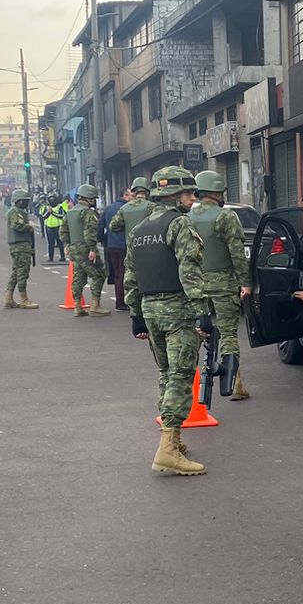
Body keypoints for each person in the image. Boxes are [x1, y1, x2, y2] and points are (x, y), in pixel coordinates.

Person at [124, 167, 208, 476]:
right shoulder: (180, 224)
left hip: (150, 309)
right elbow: (189, 269)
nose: (192, 198)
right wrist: (203, 310)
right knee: (181, 376)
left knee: (165, 373)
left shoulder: (140, 229)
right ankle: (168, 447)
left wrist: (136, 316)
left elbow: (130, 277)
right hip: (177, 309)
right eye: (189, 193)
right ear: (175, 195)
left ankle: (172, 441)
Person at [189, 169, 252, 400]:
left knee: (196, 333)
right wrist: (246, 282)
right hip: (224, 284)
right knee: (228, 333)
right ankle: (234, 384)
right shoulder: (225, 216)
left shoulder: (188, 217)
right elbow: (237, 254)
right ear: (216, 192)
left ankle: (191, 387)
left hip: (196, 285)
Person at [108, 177, 154, 311]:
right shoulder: (151, 207)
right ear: (147, 191)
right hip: (149, 248)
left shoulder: (125, 208)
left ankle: (134, 307)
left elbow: (113, 226)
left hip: (131, 249)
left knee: (131, 279)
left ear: (133, 191)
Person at [64, 183, 109, 317]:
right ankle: (95, 304)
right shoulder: (88, 213)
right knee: (99, 275)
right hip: (85, 249)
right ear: (89, 198)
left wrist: (66, 245)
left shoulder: (70, 212)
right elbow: (90, 232)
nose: (94, 201)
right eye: (93, 198)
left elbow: (64, 231)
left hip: (73, 249)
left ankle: (77, 306)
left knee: (78, 278)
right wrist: (93, 249)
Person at [2, 188, 40, 309]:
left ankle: (8, 297)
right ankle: (24, 299)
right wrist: (28, 227)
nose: (26, 203)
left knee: (16, 272)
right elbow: (16, 225)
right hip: (20, 246)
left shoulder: (17, 211)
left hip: (19, 246)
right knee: (23, 272)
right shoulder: (15, 212)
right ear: (19, 201)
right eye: (24, 201)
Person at [43, 192, 67, 262]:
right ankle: (51, 257)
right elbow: (43, 216)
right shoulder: (47, 207)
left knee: (60, 243)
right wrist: (48, 212)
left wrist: (52, 212)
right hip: (49, 227)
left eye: (53, 199)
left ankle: (62, 257)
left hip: (58, 227)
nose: (52, 201)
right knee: (50, 243)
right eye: (50, 200)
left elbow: (62, 216)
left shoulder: (60, 207)